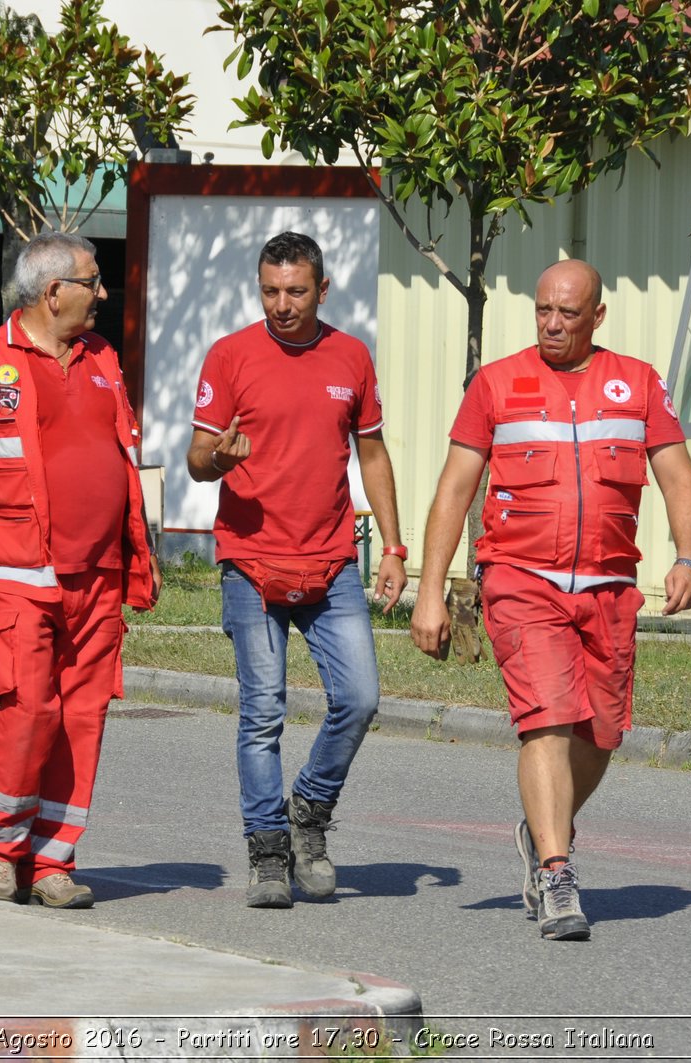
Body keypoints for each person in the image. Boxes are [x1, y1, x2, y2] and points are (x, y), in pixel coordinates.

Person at [410, 259, 691, 941]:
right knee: (547, 718)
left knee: (601, 731)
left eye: (567, 313)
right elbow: (454, 490)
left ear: (597, 316)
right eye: (542, 309)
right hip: (520, 578)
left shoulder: (637, 383)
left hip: (607, 585)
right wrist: (430, 593)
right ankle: (555, 871)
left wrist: (688, 556)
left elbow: (678, 474)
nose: (551, 323)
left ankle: (545, 822)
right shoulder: (497, 384)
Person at [0, 231, 158, 911]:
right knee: (29, 709)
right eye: (94, 280)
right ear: (54, 293)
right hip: (15, 570)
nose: (104, 293)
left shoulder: (102, 359)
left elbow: (120, 463)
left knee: (82, 715)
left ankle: (53, 859)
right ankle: (0, 851)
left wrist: (137, 554)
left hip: (97, 578)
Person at [187, 231, 408, 909]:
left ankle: (308, 812)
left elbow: (371, 454)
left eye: (296, 291)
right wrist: (218, 460)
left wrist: (394, 547)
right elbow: (198, 455)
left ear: (322, 289)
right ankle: (269, 850)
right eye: (271, 291)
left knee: (361, 698)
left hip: (332, 560)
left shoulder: (350, 356)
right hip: (252, 562)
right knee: (262, 713)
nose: (282, 304)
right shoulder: (230, 357)